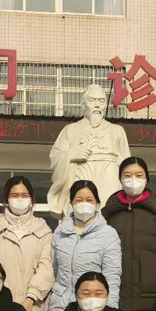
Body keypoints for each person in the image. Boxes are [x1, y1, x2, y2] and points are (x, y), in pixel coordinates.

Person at [102, 157, 156, 311]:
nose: (133, 180)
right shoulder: (109, 212)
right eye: (127, 175)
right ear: (120, 179)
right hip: (114, 295)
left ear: (146, 178)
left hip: (152, 298)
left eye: (139, 175)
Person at [0, 175, 53, 311]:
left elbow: (46, 268)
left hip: (32, 310)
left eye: (24, 195)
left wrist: (31, 298)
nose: (20, 199)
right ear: (6, 199)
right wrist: (3, 300)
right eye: (14, 195)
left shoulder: (43, 230)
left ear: (32, 200)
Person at [47, 84, 131, 217]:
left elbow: (127, 165)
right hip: (80, 175)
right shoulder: (70, 130)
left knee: (110, 217)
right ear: (83, 104)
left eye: (101, 101)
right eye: (92, 100)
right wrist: (71, 155)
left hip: (109, 179)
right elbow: (55, 156)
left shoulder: (117, 131)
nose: (97, 105)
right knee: (79, 216)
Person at [47, 180, 122, 311]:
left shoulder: (108, 234)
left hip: (92, 308)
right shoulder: (60, 232)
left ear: (97, 204)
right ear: (71, 203)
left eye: (89, 200)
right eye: (79, 200)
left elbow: (112, 276)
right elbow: (54, 270)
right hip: (60, 306)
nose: (84, 204)